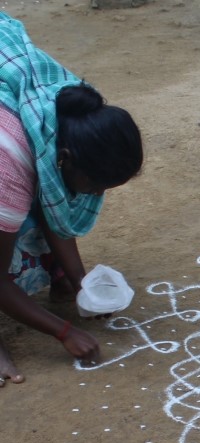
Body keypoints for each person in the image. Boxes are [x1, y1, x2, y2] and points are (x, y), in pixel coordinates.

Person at [0, 11, 143, 386]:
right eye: (96, 184)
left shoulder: (68, 105)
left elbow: (51, 188)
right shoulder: (9, 161)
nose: (96, 195)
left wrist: (81, 280)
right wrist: (63, 331)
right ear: (65, 158)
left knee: (28, 202)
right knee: (12, 216)